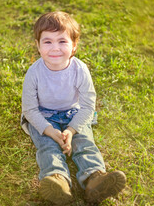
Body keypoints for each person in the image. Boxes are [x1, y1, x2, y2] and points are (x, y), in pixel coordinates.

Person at [21, 11, 126, 205]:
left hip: (73, 113)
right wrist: (51, 131)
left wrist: (71, 130)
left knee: (84, 141)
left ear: (74, 46)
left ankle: (94, 178)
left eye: (62, 41)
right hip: (43, 116)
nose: (55, 48)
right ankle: (57, 180)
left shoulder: (80, 70)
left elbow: (87, 105)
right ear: (37, 45)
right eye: (48, 42)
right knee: (47, 147)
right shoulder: (34, 73)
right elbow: (30, 110)